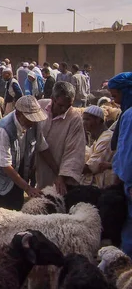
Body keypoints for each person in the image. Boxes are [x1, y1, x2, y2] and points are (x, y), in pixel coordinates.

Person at [0, 96, 47, 210]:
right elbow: (5, 165)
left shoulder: (34, 125)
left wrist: (58, 173)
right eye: (29, 119)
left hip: (17, 175)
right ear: (18, 113)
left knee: (16, 215)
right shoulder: (2, 130)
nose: (32, 122)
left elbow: (43, 148)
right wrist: (27, 188)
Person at [35, 82, 86, 194]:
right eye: (61, 105)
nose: (65, 109)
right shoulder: (39, 106)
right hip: (35, 162)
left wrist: (62, 175)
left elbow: (75, 151)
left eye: (69, 106)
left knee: (53, 197)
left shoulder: (74, 119)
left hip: (58, 163)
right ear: (53, 98)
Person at [111, 73, 132, 257]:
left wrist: (123, 178)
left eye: (116, 96)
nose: (114, 101)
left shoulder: (130, 115)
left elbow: (126, 152)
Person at [80, 106, 115, 188]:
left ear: (98, 120)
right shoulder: (99, 138)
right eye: (83, 119)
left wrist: (68, 169)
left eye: (87, 119)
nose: (84, 122)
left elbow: (91, 167)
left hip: (100, 187)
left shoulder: (107, 139)